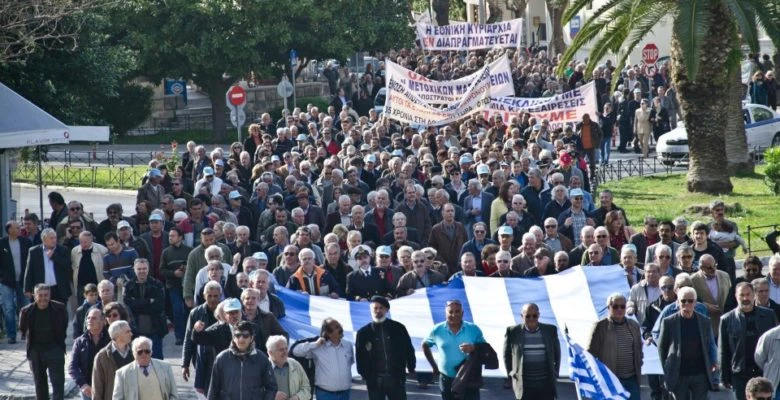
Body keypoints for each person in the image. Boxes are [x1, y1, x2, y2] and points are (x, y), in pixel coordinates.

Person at [656, 286, 718, 400]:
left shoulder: (704, 321)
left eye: (690, 301)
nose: (687, 304)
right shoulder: (668, 322)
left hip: (700, 373)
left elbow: (710, 344)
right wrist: (663, 373)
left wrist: (714, 362)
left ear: (695, 302)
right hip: (678, 374)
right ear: (678, 302)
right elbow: (661, 349)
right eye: (683, 301)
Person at [720, 282, 778, 400]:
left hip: (763, 372)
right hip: (739, 374)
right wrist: (724, 377)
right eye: (742, 295)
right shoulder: (726, 319)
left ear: (754, 295)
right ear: (736, 296)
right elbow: (723, 350)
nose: (745, 298)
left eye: (748, 294)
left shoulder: (769, 315)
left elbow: (777, 343)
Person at [422, 299, 486, 400]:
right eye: (450, 312)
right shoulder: (437, 330)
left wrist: (473, 348)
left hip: (469, 378)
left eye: (457, 312)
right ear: (445, 313)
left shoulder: (473, 329)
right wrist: (434, 366)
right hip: (446, 379)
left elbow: (486, 349)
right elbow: (425, 345)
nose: (454, 315)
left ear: (462, 313)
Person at [355, 296, 416, 400]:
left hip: (396, 378)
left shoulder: (399, 328)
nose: (378, 311)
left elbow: (408, 349)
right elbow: (359, 356)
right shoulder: (363, 333)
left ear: (387, 310)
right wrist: (365, 375)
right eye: (375, 308)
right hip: (375, 381)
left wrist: (411, 366)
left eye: (381, 308)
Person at [587, 292, 643, 400]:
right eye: (615, 306)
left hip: (632, 379)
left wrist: (639, 361)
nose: (619, 309)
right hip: (610, 380)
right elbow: (590, 354)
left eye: (622, 306)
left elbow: (639, 349)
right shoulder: (600, 326)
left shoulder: (634, 325)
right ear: (609, 308)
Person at [18, 284, 69, 400]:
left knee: (58, 383)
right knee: (40, 384)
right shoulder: (26, 311)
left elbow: (64, 325)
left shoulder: (60, 308)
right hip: (36, 351)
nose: (43, 298)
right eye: (40, 295)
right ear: (34, 296)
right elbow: (23, 328)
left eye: (46, 295)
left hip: (55, 348)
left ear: (50, 295)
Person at [503, 303, 561, 400]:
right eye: (528, 316)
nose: (531, 318)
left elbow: (557, 354)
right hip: (524, 385)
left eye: (534, 315)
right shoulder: (513, 332)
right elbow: (506, 356)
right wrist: (512, 374)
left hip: (546, 384)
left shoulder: (550, 330)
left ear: (539, 315)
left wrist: (555, 373)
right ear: (522, 316)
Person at [207, 320, 277, 400]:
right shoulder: (221, 358)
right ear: (233, 338)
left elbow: (271, 387)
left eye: (245, 335)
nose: (241, 339)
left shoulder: (262, 359)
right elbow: (213, 388)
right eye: (238, 335)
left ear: (252, 338)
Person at [292, 318, 354, 400]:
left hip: (345, 394)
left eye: (339, 326)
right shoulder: (319, 347)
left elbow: (350, 363)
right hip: (325, 395)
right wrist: (314, 344)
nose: (341, 329)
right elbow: (295, 351)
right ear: (328, 333)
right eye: (336, 327)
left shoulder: (348, 345)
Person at [123, 258, 167, 359]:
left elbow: (159, 305)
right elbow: (128, 306)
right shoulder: (129, 286)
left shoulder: (157, 284)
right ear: (134, 269)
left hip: (155, 329)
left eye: (144, 268)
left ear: (148, 269)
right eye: (139, 269)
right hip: (135, 330)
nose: (142, 271)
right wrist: (148, 301)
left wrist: (138, 304)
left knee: (157, 360)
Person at [112, 336, 178, 399]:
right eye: (140, 352)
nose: (144, 354)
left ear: (151, 352)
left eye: (147, 351)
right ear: (134, 354)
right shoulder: (122, 374)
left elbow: (174, 395)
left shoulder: (165, 367)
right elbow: (117, 398)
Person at [0, 220, 31, 344]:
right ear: (10, 230)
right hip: (7, 281)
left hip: (23, 280)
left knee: (25, 307)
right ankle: (11, 335)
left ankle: (26, 332)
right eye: (17, 227)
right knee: (8, 308)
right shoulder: (2, 244)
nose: (20, 229)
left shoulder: (25, 242)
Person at [69, 308, 110, 400]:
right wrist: (82, 384)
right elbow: (72, 367)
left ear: (103, 321)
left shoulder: (111, 340)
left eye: (94, 318)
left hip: (108, 387)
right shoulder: (80, 342)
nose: (90, 320)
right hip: (88, 388)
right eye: (88, 318)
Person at [23, 228, 71, 304]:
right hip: (41, 289)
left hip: (58, 289)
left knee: (60, 313)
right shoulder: (34, 251)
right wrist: (27, 289)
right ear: (44, 239)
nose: (54, 240)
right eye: (51, 238)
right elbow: (29, 271)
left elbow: (68, 266)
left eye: (55, 238)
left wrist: (54, 256)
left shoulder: (63, 250)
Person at [92, 320, 134, 400]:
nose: (131, 334)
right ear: (117, 336)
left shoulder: (136, 352)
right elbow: (97, 387)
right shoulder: (102, 357)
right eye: (127, 332)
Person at [691, 254, 732, 334]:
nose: (713, 269)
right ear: (701, 268)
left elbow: (730, 297)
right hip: (707, 325)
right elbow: (691, 300)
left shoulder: (725, 275)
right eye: (709, 268)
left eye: (715, 265)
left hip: (725, 323)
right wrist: (704, 305)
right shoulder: (693, 280)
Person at [266, 335, 312, 400]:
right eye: (281, 350)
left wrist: (297, 397)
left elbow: (307, 388)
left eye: (286, 348)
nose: (285, 352)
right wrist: (272, 396)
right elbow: (255, 392)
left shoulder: (295, 365)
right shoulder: (263, 368)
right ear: (270, 353)